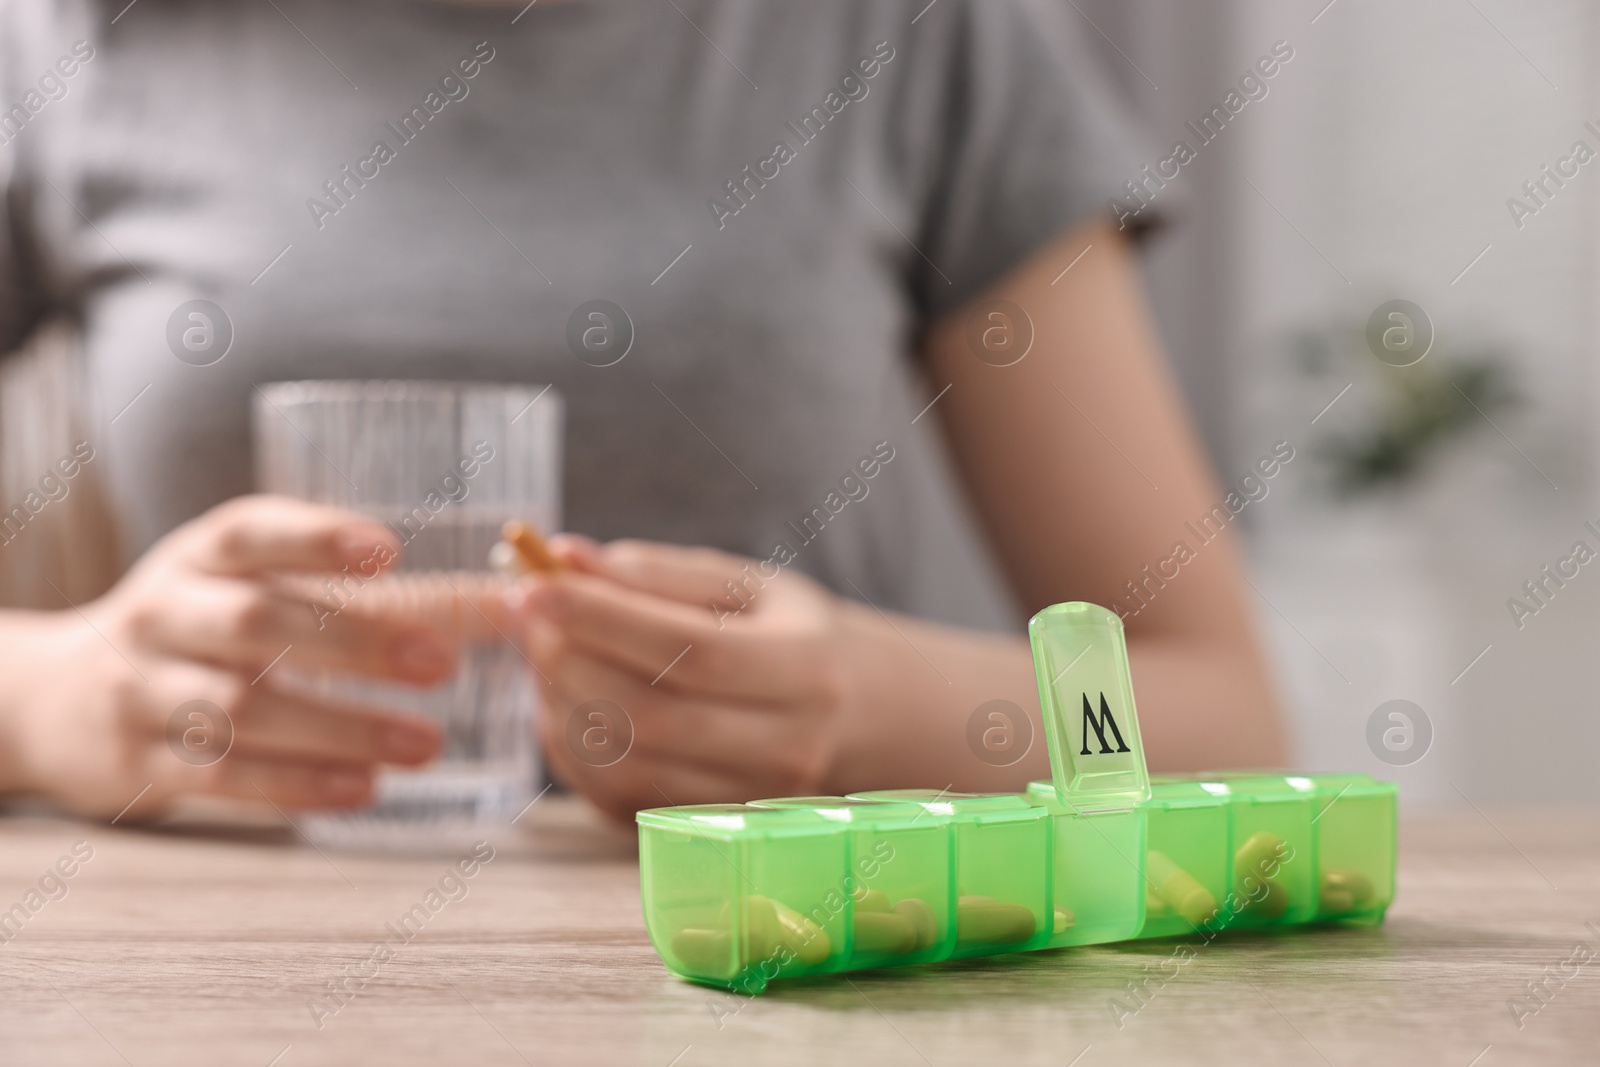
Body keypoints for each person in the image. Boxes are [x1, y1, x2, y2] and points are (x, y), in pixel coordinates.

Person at [0, 0, 1284, 823]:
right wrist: (57, 693)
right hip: (217, 987)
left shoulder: (916, 32)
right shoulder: (69, 39)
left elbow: (1218, 715)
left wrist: (864, 703)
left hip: (775, 983)